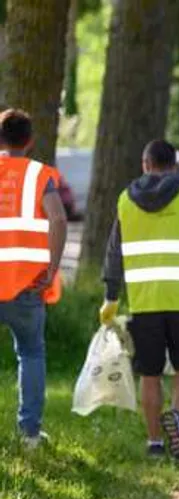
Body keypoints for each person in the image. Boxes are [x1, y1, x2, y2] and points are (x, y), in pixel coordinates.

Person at [100, 139, 179, 460]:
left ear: (145, 165)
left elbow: (114, 252)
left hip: (144, 302)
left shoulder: (126, 199)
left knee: (150, 373)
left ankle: (155, 442)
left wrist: (111, 296)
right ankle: (177, 413)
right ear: (174, 165)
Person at [0, 109, 67, 448]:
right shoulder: (40, 175)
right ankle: (29, 434)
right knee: (31, 353)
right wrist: (52, 270)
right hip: (26, 284)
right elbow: (59, 219)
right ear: (30, 141)